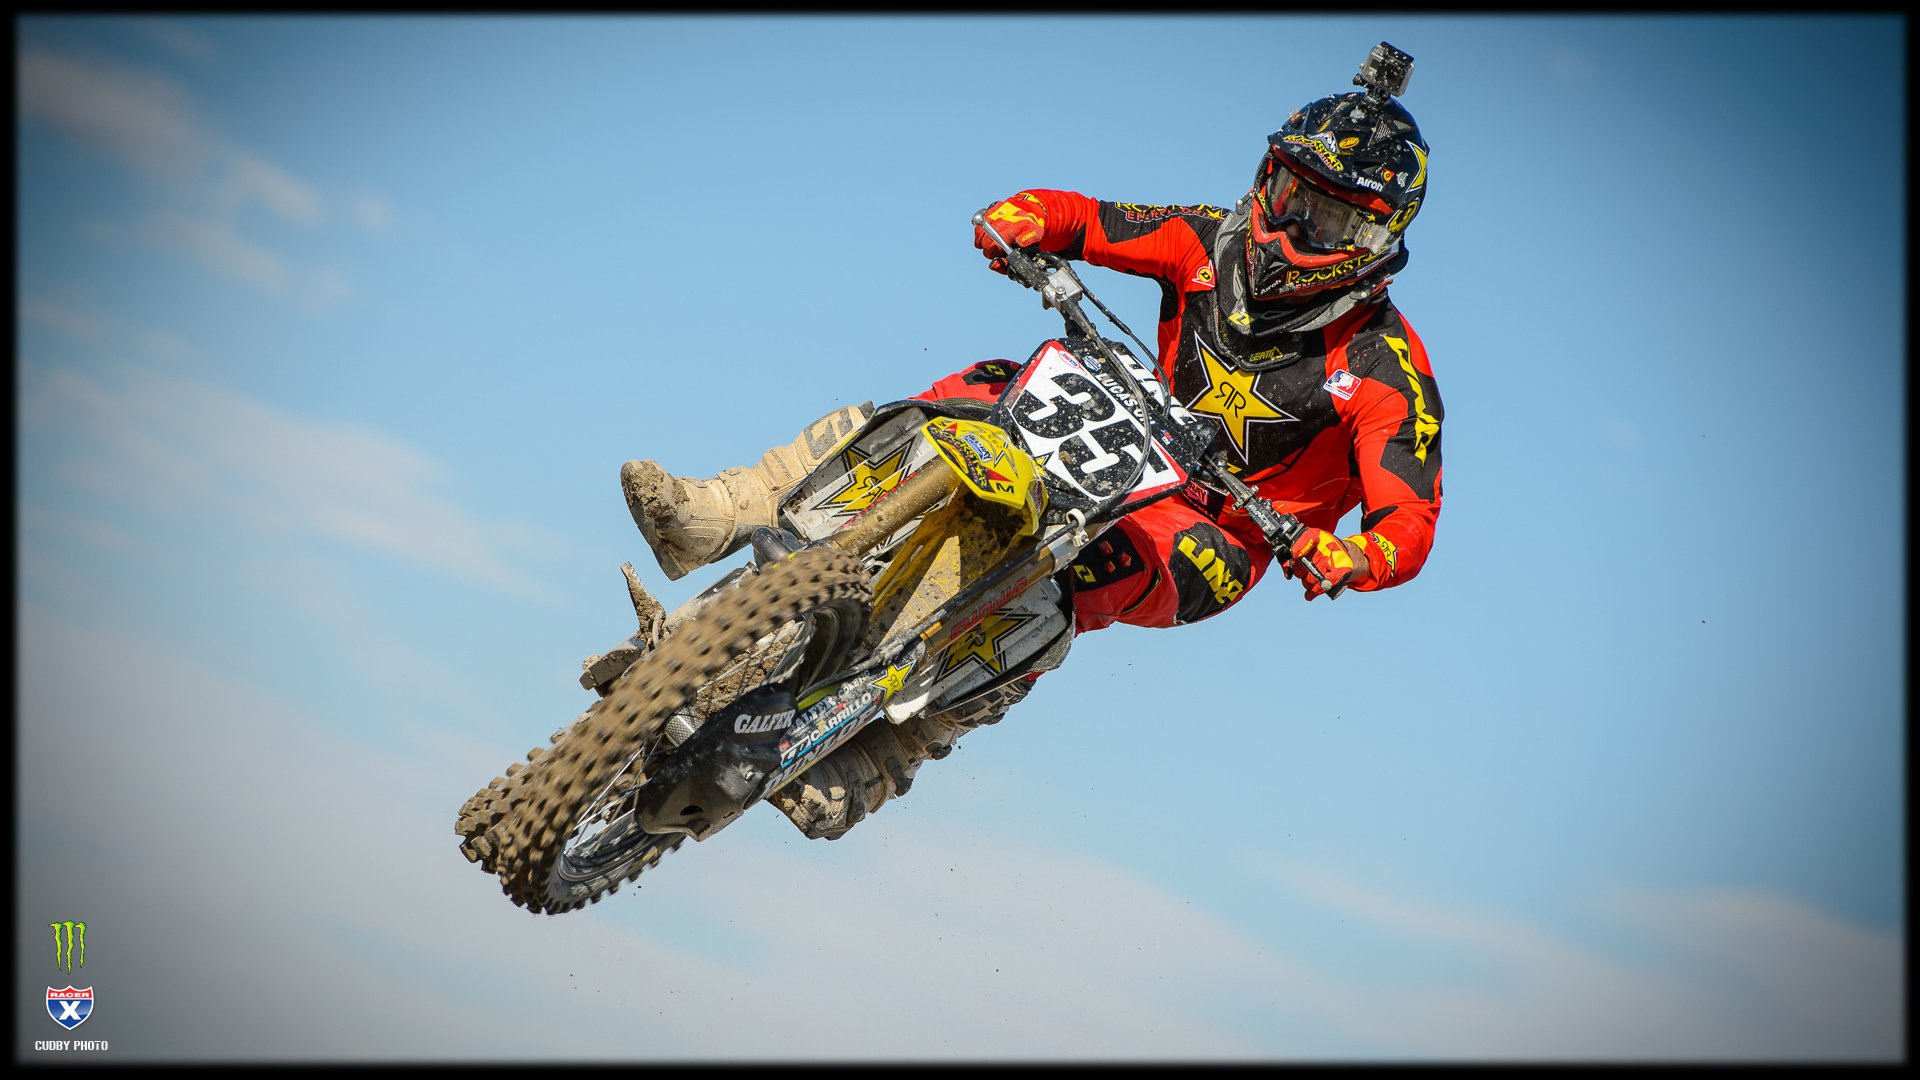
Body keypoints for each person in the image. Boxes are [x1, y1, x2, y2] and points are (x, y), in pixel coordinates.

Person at [620, 42, 1444, 841]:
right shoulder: (1208, 239)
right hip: (1124, 428)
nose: (1296, 228)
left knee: (1076, 580)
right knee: (979, 389)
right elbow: (1087, 217)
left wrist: (1350, 556)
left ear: (1378, 237)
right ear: (1268, 176)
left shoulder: (1386, 369)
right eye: (1294, 193)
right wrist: (1025, 218)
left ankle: (887, 755)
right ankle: (726, 510)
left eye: (1330, 218)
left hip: (1213, 529)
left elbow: (1408, 522)